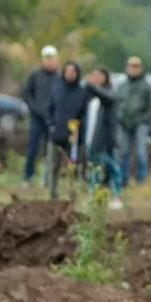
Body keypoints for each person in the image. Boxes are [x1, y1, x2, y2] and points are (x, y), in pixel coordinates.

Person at [46, 61, 110, 200]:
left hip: (74, 137)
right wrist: (51, 124)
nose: (70, 74)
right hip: (56, 134)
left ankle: (72, 195)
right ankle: (53, 194)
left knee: (73, 167)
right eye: (67, 71)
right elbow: (50, 109)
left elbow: (85, 113)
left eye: (73, 71)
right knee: (53, 166)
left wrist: (79, 128)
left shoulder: (82, 92)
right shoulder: (57, 89)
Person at [84, 67, 124, 210]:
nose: (96, 78)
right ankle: (92, 195)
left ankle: (117, 196)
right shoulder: (91, 96)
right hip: (92, 138)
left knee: (113, 168)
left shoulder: (109, 93)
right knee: (94, 168)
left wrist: (91, 85)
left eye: (100, 76)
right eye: (94, 75)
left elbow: (108, 98)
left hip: (107, 139)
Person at [20, 45, 59, 187]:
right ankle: (27, 176)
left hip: (52, 119)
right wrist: (34, 108)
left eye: (51, 58)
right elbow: (26, 93)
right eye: (46, 58)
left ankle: (46, 178)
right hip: (36, 117)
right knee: (33, 148)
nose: (49, 61)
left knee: (49, 150)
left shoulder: (59, 77)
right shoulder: (35, 75)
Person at [116, 56, 151, 185]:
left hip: (140, 122)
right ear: (127, 68)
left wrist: (144, 119)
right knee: (124, 152)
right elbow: (117, 103)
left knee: (140, 152)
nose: (133, 70)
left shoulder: (146, 86)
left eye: (136, 67)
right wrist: (120, 117)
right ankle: (123, 179)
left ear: (140, 68)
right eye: (131, 67)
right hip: (125, 122)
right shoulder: (122, 86)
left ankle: (141, 178)